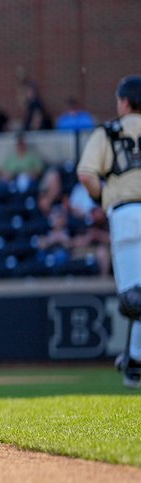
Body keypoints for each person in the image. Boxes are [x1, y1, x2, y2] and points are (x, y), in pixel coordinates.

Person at [76, 76, 141, 388]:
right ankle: (135, 360)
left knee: (134, 298)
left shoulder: (110, 131)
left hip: (127, 212)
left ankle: (135, 362)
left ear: (125, 102)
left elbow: (86, 174)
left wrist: (101, 197)